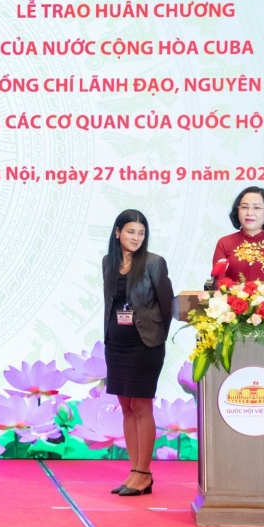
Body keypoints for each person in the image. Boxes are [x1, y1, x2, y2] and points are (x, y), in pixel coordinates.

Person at [102, 209, 174, 496]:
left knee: (142, 406)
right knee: (126, 407)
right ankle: (134, 472)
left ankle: (144, 473)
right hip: (116, 344)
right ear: (118, 232)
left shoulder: (154, 263)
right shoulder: (108, 262)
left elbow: (167, 305)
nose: (136, 238)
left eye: (141, 233)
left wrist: (157, 337)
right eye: (131, 232)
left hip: (145, 345)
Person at [212, 187, 264, 283]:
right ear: (237, 210)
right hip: (232, 293)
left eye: (257, 208)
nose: (249, 213)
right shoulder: (225, 243)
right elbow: (219, 283)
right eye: (244, 207)